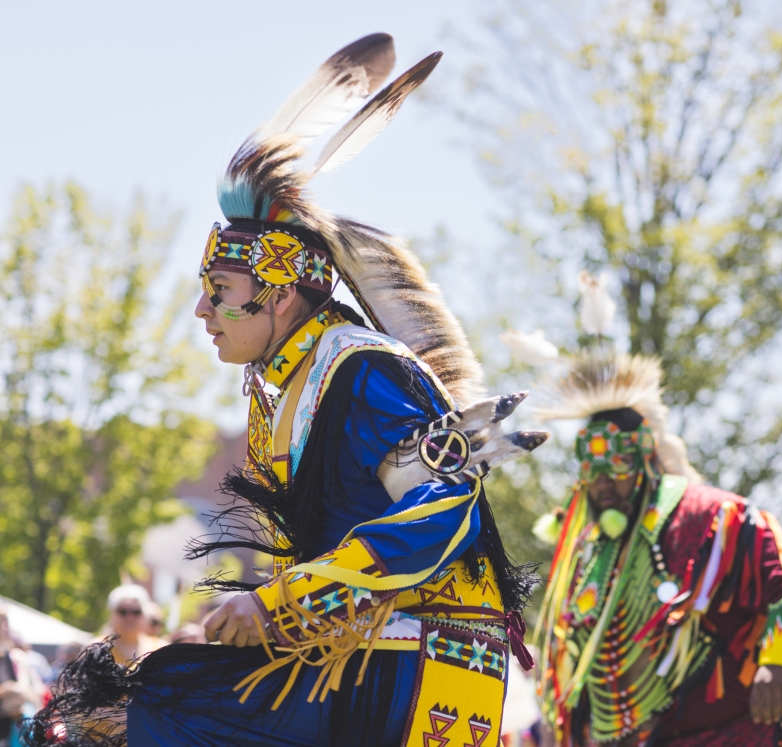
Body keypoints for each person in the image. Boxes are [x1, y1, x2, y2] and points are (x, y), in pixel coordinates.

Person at [29, 32, 545, 747]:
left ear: (277, 294)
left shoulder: (362, 368)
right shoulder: (284, 388)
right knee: (107, 711)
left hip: (418, 659)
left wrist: (283, 601)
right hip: (351, 650)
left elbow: (448, 503)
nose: (202, 312)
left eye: (219, 291)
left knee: (131, 720)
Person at [531, 345, 782, 747]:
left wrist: (781, 660)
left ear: (646, 460)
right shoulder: (594, 550)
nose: (602, 483)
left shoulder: (708, 516)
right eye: (592, 470)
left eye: (617, 467)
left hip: (732, 734)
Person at [0, 604, 46, 747]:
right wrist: (6, 691)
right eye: (1, 621)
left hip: (10, 733)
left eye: (5, 621)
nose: (5, 626)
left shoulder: (12, 657)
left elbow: (35, 692)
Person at [104, 585, 166, 666]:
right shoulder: (98, 651)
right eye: (123, 611)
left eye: (136, 611)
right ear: (112, 615)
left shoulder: (161, 650)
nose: (130, 617)